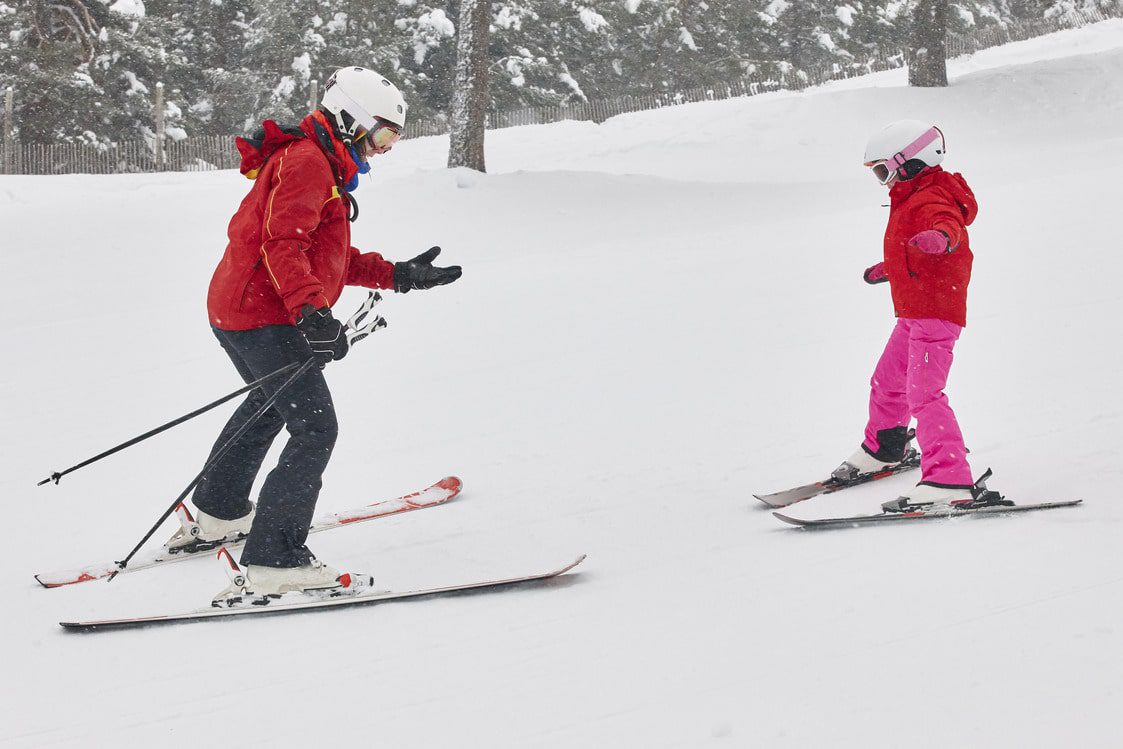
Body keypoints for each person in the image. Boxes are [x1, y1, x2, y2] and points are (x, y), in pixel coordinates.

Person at [165, 67, 462, 602]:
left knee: (269, 404)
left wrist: (397, 274)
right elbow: (284, 245)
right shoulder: (307, 162)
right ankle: (275, 558)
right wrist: (311, 315)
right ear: (352, 120)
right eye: (383, 135)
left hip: (239, 307)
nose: (384, 149)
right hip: (261, 312)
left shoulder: (321, 161)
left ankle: (218, 511)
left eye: (392, 138)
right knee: (315, 428)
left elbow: (325, 255)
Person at [833, 119, 994, 511]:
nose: (883, 182)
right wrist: (890, 266)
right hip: (913, 311)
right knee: (887, 381)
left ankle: (948, 478)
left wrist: (943, 238)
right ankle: (885, 447)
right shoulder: (911, 197)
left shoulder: (932, 197)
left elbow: (949, 226)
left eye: (884, 171)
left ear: (912, 163)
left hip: (937, 313)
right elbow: (913, 249)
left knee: (924, 394)